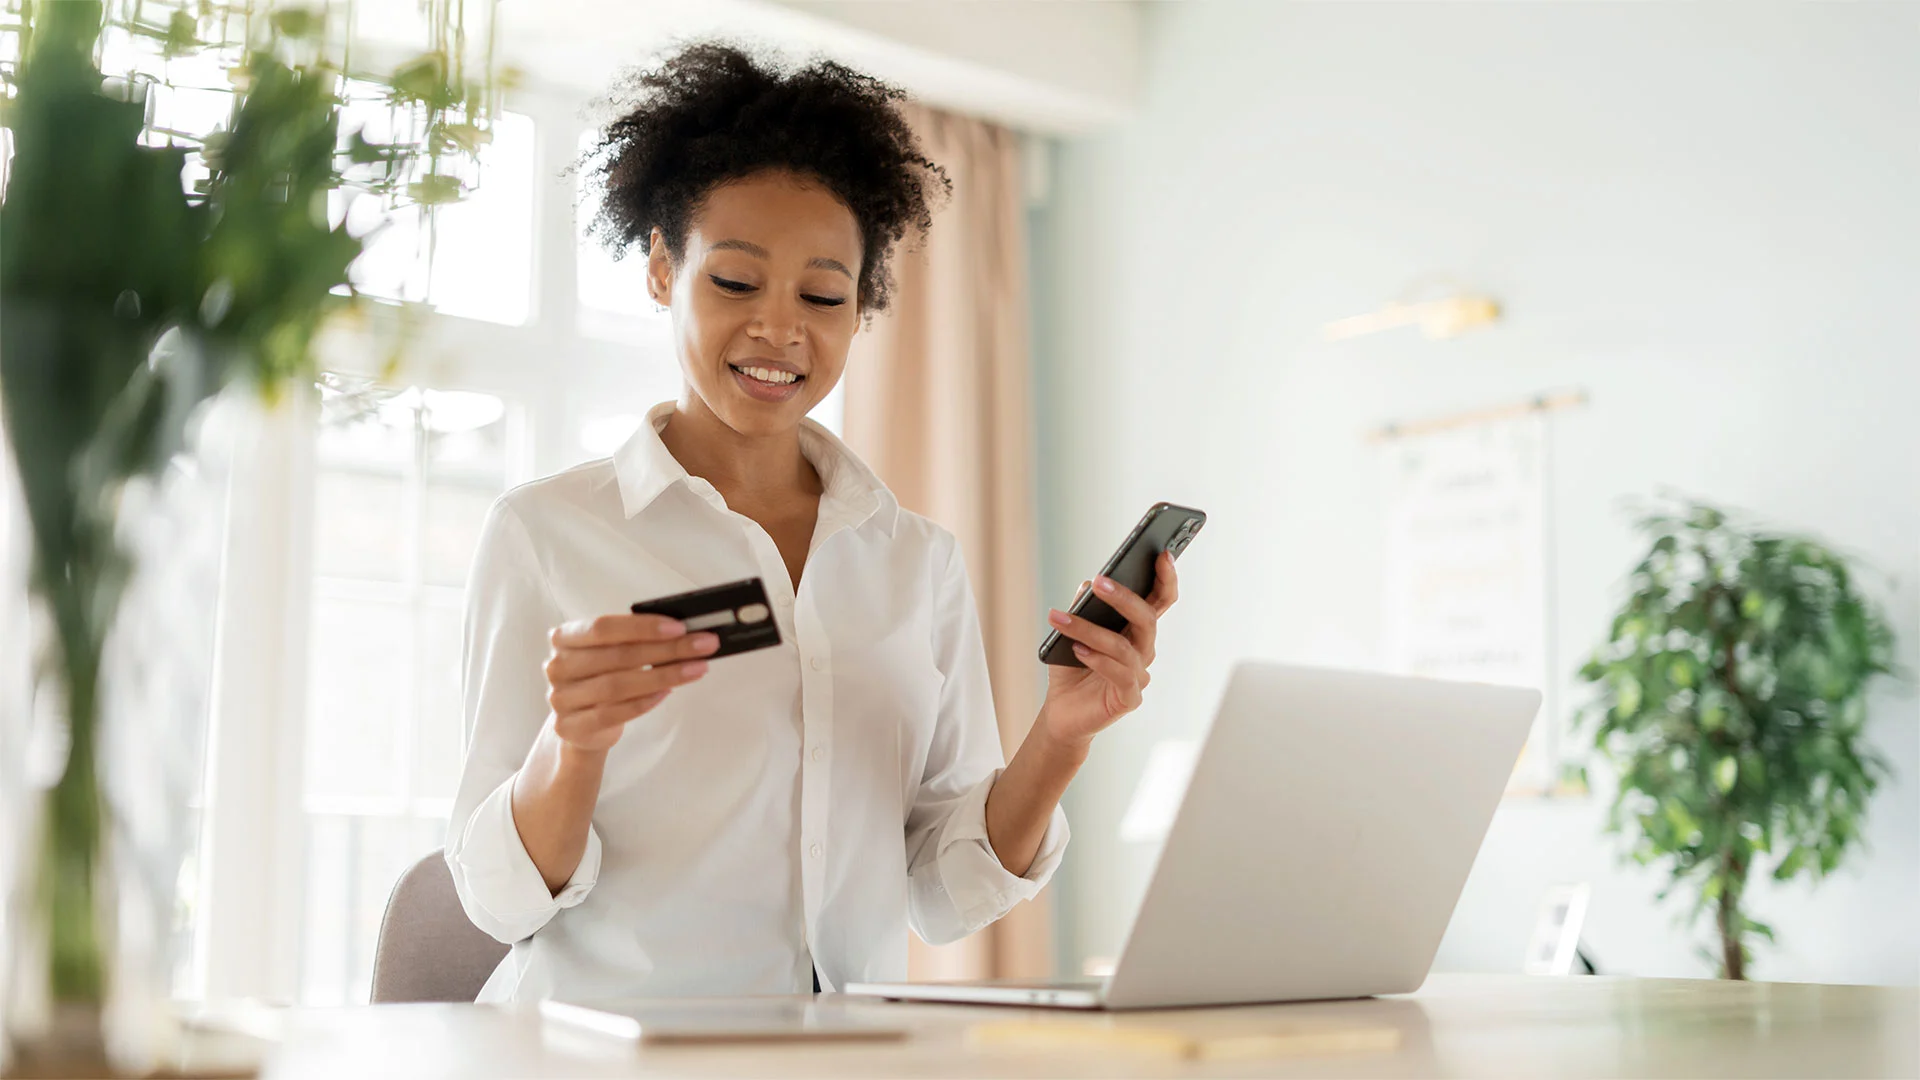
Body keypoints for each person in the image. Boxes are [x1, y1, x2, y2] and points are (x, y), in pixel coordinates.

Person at [444, 43, 1179, 1002]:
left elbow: (943, 890)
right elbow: (496, 902)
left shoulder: (917, 560)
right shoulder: (545, 535)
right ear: (665, 269)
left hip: (849, 1052)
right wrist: (573, 746)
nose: (781, 329)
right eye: (736, 284)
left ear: (863, 304)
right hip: (613, 1056)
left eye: (824, 296)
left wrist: (1063, 736)